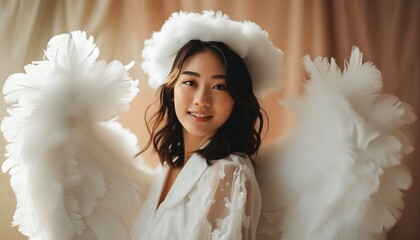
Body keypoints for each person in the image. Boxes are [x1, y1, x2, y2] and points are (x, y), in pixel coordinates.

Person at [131, 11, 283, 240]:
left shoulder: (227, 173)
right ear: (172, 91)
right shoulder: (167, 168)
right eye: (190, 82)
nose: (202, 99)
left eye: (219, 86)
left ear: (236, 98)